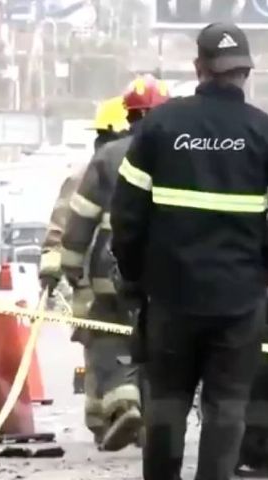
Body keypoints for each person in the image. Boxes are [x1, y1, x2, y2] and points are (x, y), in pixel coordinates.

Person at [111, 22, 268, 480]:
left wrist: (135, 278)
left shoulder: (159, 127)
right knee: (226, 405)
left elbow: (127, 214)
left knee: (168, 403)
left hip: (171, 296)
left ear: (199, 67)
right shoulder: (267, 133)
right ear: (244, 71)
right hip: (238, 298)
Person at [60, 75, 169, 452]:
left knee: (108, 333)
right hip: (165, 271)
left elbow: (81, 215)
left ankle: (124, 404)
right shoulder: (180, 154)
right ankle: (157, 418)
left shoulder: (108, 156)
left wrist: (71, 263)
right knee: (158, 339)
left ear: (129, 114)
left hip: (111, 267)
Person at [40, 95, 129, 444]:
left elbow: (60, 230)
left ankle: (105, 417)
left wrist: (55, 268)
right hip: (112, 277)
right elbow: (59, 231)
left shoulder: (86, 174)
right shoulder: (149, 167)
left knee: (99, 345)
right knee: (110, 343)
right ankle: (110, 415)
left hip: (90, 277)